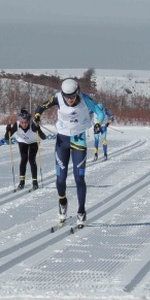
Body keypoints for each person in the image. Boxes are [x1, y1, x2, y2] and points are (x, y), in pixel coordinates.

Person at [34, 78, 105, 227]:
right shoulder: (57, 97)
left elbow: (100, 112)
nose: (70, 100)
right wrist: (37, 118)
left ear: (77, 92)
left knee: (79, 178)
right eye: (67, 97)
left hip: (79, 140)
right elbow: (41, 107)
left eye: (72, 96)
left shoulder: (85, 99)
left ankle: (81, 211)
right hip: (62, 141)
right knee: (61, 179)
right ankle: (62, 202)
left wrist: (98, 124)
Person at [6, 108, 46, 191]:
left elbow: (43, 137)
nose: (24, 124)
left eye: (26, 123)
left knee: (32, 160)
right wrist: (8, 129)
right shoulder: (17, 125)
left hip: (34, 141)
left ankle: (35, 182)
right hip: (22, 141)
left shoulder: (32, 124)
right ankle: (21, 182)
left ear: (28, 121)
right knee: (24, 159)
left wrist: (38, 128)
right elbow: (7, 137)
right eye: (22, 123)